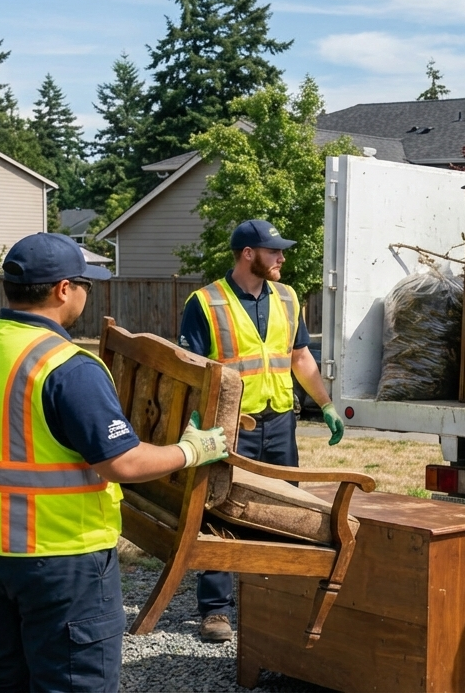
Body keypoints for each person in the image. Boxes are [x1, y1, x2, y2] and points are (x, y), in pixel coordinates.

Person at [0, 232, 229, 692]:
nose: (86, 293)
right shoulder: (67, 367)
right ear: (62, 289)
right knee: (76, 683)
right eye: (85, 284)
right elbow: (123, 463)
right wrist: (193, 450)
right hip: (58, 555)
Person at [176, 219, 344, 643]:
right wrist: (195, 420)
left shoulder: (288, 298)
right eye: (274, 251)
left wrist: (324, 404)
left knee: (286, 511)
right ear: (248, 254)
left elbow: (300, 356)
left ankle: (275, 598)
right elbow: (192, 369)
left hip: (280, 420)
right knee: (218, 511)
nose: (282, 258)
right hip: (229, 427)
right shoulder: (206, 302)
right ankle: (216, 610)